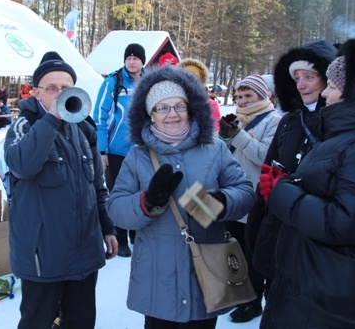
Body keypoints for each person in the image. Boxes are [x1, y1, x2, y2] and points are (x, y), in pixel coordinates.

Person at [258, 39, 355, 328]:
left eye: (332, 86)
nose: (326, 93)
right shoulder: (351, 134)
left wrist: (282, 192)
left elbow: (345, 222)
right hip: (311, 279)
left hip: (329, 288)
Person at [106, 65, 256, 328]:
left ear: (191, 108)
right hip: (157, 281)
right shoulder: (138, 155)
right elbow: (116, 207)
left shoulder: (214, 148)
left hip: (206, 277)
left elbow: (244, 191)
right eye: (162, 108)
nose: (172, 114)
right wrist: (147, 202)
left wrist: (217, 204)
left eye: (179, 106)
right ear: (150, 114)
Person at [4, 51, 118, 329]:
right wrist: (52, 118)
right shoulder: (24, 126)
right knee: (37, 323)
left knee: (80, 322)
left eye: (65, 88)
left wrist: (107, 228)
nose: (59, 93)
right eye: (51, 88)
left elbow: (96, 186)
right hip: (43, 257)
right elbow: (22, 165)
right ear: (36, 93)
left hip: (84, 254)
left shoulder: (85, 130)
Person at [245, 39, 336, 324]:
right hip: (278, 229)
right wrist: (258, 223)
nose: (301, 84)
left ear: (328, 79)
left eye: (309, 77)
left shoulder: (341, 125)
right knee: (276, 304)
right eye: (296, 78)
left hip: (317, 238)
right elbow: (268, 172)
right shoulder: (289, 122)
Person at [217, 74, 282, 323]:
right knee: (233, 248)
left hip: (256, 195)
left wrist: (238, 136)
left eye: (248, 96)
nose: (242, 101)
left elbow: (266, 156)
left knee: (252, 251)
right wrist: (223, 137)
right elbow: (221, 153)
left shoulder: (273, 120)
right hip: (232, 193)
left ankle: (254, 302)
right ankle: (238, 295)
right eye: (239, 96)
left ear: (263, 96)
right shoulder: (237, 118)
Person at [93, 43, 146, 257]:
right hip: (116, 151)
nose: (132, 62)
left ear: (143, 61)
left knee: (141, 192)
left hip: (143, 149)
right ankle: (121, 238)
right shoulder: (112, 82)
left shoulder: (151, 81)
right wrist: (102, 151)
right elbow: (100, 117)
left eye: (136, 58)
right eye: (128, 58)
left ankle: (135, 232)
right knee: (118, 194)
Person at [177, 58, 221, 132]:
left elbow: (215, 130)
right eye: (186, 78)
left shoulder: (210, 104)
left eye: (194, 79)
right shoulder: (173, 101)